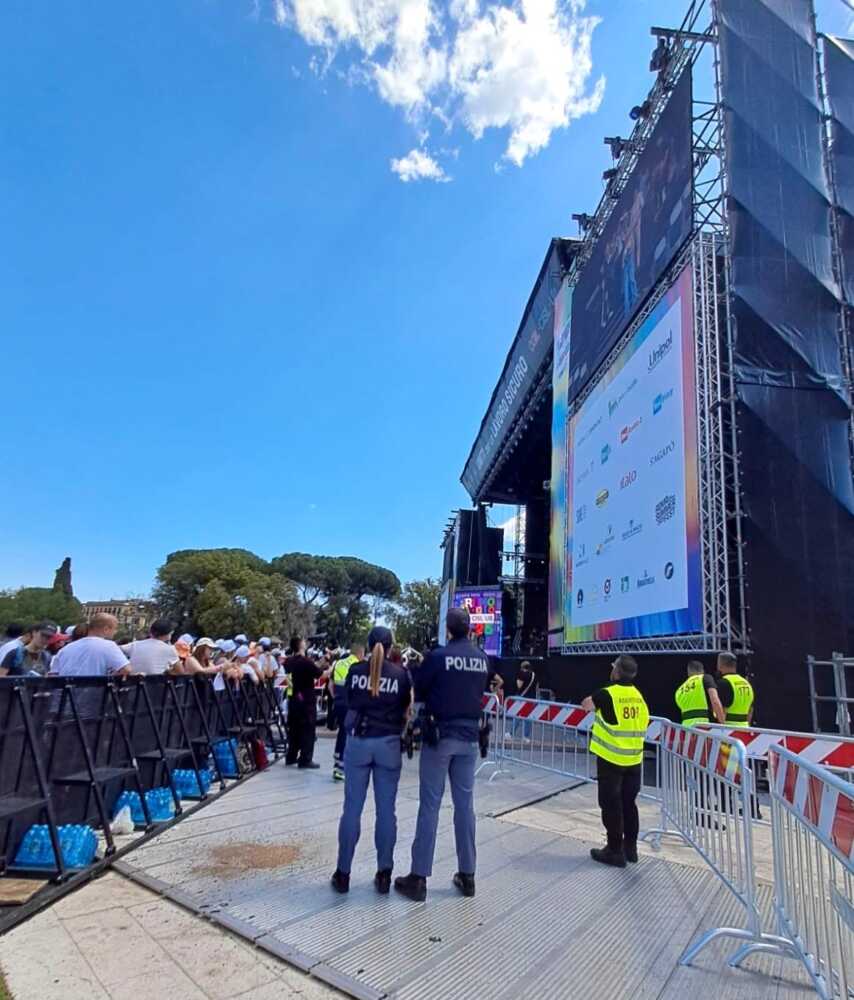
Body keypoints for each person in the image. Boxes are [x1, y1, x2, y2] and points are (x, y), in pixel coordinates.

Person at [395, 607, 490, 903]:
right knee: (465, 806)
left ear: (448, 629)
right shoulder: (481, 659)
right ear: (470, 630)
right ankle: (468, 874)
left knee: (430, 805)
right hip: (471, 738)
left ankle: (419, 877)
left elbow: (420, 689)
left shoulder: (437, 657)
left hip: (440, 738)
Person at [331, 627, 412, 894]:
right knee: (386, 811)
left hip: (358, 743)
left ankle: (343, 874)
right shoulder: (401, 675)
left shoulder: (355, 672)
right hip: (388, 744)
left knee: (352, 810)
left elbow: (348, 703)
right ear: (390, 647)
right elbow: (404, 710)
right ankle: (384, 874)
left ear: (367, 645)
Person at [581, 654, 649, 868]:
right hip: (634, 760)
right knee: (629, 804)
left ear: (617, 671)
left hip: (611, 760)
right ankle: (631, 849)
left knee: (611, 805)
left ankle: (614, 850)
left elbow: (586, 705)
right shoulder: (639, 696)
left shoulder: (607, 694)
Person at [285, 636, 330, 768]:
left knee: (294, 729)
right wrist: (329, 671)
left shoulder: (289, 661)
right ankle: (305, 758)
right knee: (308, 729)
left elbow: (312, 668)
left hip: (294, 698)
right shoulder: (305, 661)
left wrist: (321, 662)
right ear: (300, 645)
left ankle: (291, 756)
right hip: (306, 699)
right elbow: (319, 674)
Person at [51, 613, 130, 677]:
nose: (116, 632)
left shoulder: (66, 648)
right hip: (93, 694)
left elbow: (53, 674)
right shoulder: (109, 646)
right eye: (115, 628)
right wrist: (108, 679)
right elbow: (126, 669)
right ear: (106, 629)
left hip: (65, 695)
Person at [331, 644, 364, 782]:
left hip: (338, 702)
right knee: (349, 735)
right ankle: (343, 768)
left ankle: (338, 762)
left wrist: (336, 698)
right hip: (350, 705)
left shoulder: (339, 663)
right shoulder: (357, 665)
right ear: (360, 653)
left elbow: (330, 685)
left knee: (342, 733)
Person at [675, 660, 725, 727]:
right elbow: (715, 701)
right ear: (702, 670)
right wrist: (723, 723)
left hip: (686, 729)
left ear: (688, 673)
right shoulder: (705, 678)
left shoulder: (679, 690)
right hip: (704, 727)